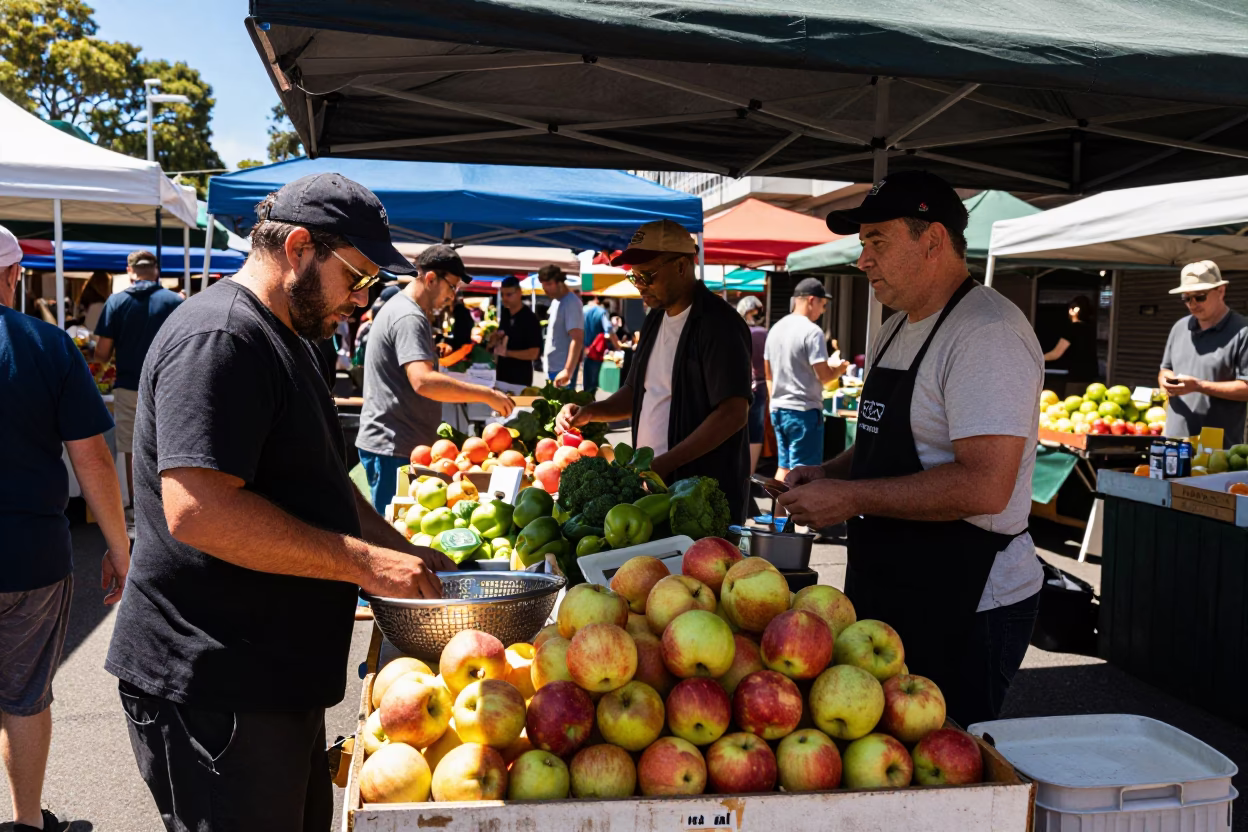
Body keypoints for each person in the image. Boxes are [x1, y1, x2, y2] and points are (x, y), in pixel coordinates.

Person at [105, 173, 456, 832]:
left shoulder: (287, 339)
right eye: (356, 278)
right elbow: (198, 509)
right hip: (215, 685)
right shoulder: (220, 338)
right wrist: (366, 566)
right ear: (299, 247)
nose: (360, 300)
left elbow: (326, 483)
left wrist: (397, 549)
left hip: (270, 680)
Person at [778, 170, 1043, 728]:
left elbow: (985, 485)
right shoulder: (894, 328)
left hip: (968, 601)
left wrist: (851, 499)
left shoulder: (986, 333)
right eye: (862, 244)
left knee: (949, 760)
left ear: (934, 241)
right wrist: (828, 472)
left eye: (877, 241)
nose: (862, 260)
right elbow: (882, 438)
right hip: (893, 583)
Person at [0, 224, 130, 832]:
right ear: (12, 276)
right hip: (30, 557)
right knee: (24, 695)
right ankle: (26, 823)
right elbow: (93, 457)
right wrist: (120, 548)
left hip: (33, 555)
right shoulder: (47, 345)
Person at [555, 219, 752, 520]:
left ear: (682, 266)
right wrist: (590, 411)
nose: (641, 286)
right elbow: (635, 392)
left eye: (647, 275)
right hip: (655, 487)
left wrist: (664, 463)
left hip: (700, 496)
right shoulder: (654, 319)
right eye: (635, 277)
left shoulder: (718, 324)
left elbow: (733, 414)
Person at [356, 246, 515, 512]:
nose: (452, 295)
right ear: (430, 279)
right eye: (451, 287)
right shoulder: (409, 316)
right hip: (394, 446)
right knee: (393, 540)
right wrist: (487, 394)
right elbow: (424, 381)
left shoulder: (402, 307)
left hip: (396, 443)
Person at [92, 250, 184, 526]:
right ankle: (171, 506)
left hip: (130, 385)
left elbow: (102, 353)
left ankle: (139, 510)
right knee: (171, 447)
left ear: (130, 271)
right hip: (170, 384)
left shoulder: (116, 302)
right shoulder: (174, 301)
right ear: (156, 272)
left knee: (134, 448)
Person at [764, 278, 850, 484]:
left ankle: (779, 517)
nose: (823, 310)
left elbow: (768, 374)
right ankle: (795, 518)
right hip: (803, 411)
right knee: (803, 476)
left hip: (779, 408)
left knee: (783, 469)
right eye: (823, 304)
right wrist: (839, 369)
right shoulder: (812, 332)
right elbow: (824, 375)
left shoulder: (776, 329)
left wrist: (772, 403)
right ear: (811, 300)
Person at [1159, 261, 1248, 442]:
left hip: (1218, 446)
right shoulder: (1180, 327)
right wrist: (1166, 382)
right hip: (1174, 440)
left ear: (1221, 291)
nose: (1192, 304)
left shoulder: (1243, 331)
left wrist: (1199, 386)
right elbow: (1165, 369)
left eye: (1199, 297)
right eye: (1186, 298)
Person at [737, 295, 770, 474]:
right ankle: (748, 473)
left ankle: (739, 469)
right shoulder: (764, 333)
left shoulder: (736, 332)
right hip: (760, 386)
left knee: (739, 428)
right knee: (755, 431)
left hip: (740, 387)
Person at [492, 275, 543, 387]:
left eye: (509, 294)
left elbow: (534, 353)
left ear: (519, 292)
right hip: (501, 377)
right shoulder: (505, 313)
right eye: (502, 294)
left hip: (520, 380)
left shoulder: (530, 319)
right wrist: (495, 339)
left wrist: (507, 353)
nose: (505, 298)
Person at [539, 264, 584, 387]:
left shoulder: (571, 303)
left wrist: (567, 371)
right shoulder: (556, 301)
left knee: (561, 405)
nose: (545, 289)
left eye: (548, 284)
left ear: (560, 283)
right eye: (543, 285)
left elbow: (577, 338)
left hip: (562, 371)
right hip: (553, 368)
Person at [1043, 294, 1098, 393]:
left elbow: (1056, 354)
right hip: (1092, 379)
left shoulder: (1073, 329)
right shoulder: (1090, 329)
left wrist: (1038, 358)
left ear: (1075, 310)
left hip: (1076, 378)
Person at [581, 295, 620, 393]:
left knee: (587, 381)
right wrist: (617, 346)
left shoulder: (585, 310)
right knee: (593, 384)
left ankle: (584, 404)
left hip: (586, 349)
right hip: (596, 351)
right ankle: (589, 404)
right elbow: (608, 329)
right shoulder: (601, 312)